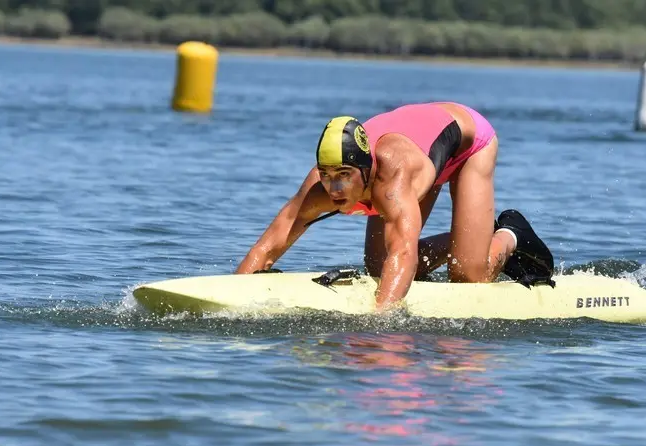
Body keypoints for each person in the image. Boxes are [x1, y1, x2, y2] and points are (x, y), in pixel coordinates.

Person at [235, 101, 554, 311]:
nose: (334, 188)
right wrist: (234, 293)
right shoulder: (318, 189)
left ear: (366, 170)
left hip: (468, 143)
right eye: (327, 176)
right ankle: (473, 237)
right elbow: (268, 245)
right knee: (377, 265)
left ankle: (509, 233)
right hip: (423, 151)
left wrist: (379, 320)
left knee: (468, 274)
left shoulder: (392, 183)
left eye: (345, 176)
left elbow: (403, 253)